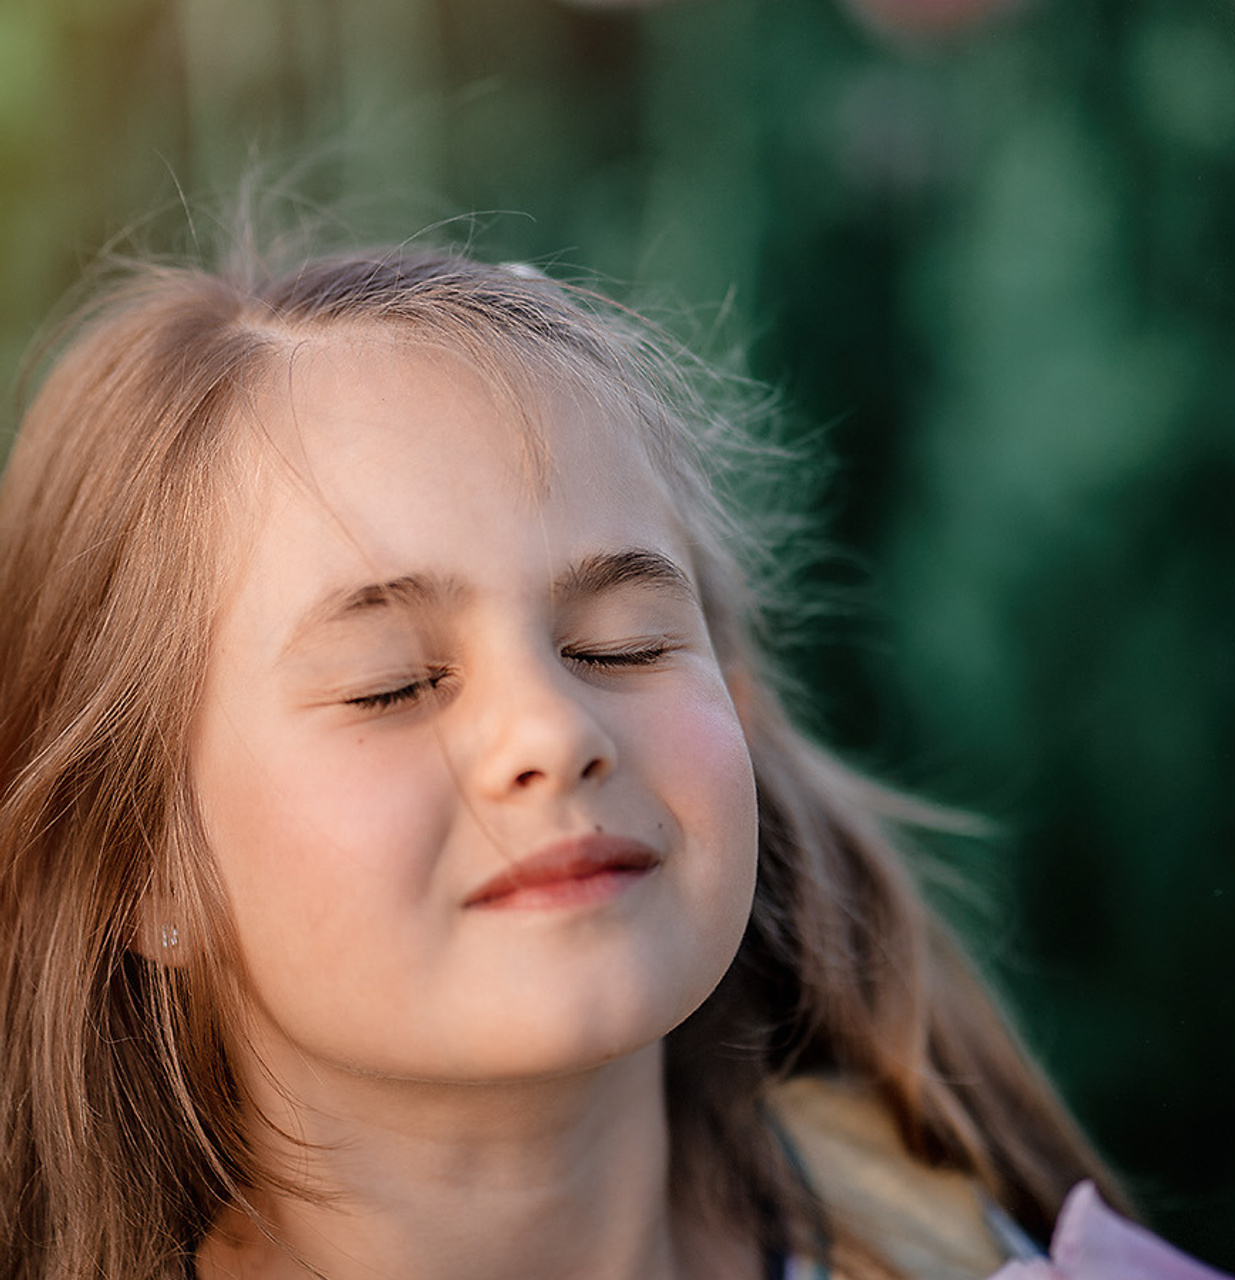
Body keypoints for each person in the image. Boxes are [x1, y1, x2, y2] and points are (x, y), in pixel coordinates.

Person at [0, 241, 1131, 1280]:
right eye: (393, 682)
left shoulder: (965, 1241)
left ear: (737, 705)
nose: (552, 731)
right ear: (133, 863)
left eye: (619, 643)